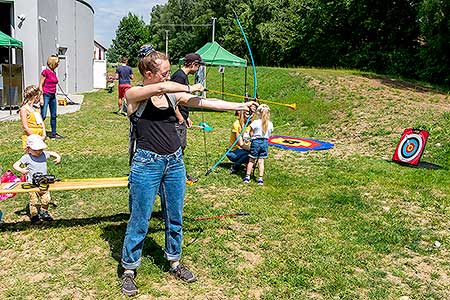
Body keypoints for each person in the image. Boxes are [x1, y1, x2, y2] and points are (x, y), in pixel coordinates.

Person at [120, 44, 257, 296]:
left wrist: (239, 106)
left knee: (175, 215)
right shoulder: (133, 94)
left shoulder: (172, 94)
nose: (167, 77)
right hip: (146, 164)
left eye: (169, 72)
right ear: (149, 74)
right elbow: (162, 87)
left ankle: (174, 262)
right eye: (164, 72)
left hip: (174, 163)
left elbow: (205, 102)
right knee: (140, 217)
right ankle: (129, 269)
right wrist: (188, 86)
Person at [170, 53, 205, 184]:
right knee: (178, 147)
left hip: (182, 118)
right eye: (198, 65)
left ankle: (179, 174)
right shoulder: (179, 76)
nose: (198, 68)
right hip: (177, 120)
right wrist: (180, 118)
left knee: (180, 147)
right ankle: (178, 176)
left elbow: (183, 99)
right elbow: (173, 99)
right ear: (192, 64)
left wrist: (187, 116)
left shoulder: (182, 76)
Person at [13, 134, 61, 225]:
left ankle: (43, 211)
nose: (39, 152)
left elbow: (53, 153)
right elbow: (15, 165)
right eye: (36, 150)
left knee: (46, 198)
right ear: (28, 149)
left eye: (41, 149)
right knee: (34, 200)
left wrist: (58, 157)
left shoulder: (43, 154)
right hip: (31, 183)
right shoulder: (26, 157)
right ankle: (34, 215)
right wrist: (21, 170)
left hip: (43, 182)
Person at [243, 104, 273, 185]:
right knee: (261, 161)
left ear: (259, 113)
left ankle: (247, 177)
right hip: (265, 143)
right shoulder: (270, 124)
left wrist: (249, 136)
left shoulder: (255, 122)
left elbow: (251, 133)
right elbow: (270, 134)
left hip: (256, 142)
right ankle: (260, 179)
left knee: (251, 160)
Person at [39, 55, 63, 139]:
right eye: (57, 63)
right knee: (43, 115)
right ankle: (37, 132)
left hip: (52, 96)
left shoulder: (53, 72)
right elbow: (40, 85)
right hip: (45, 95)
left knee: (54, 115)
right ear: (52, 63)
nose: (58, 64)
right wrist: (41, 97)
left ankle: (53, 133)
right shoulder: (45, 72)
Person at [20, 85, 46, 149]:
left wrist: (44, 135)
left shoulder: (36, 109)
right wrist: (36, 137)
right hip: (31, 137)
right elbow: (25, 127)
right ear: (36, 97)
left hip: (39, 136)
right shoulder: (24, 109)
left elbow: (42, 123)